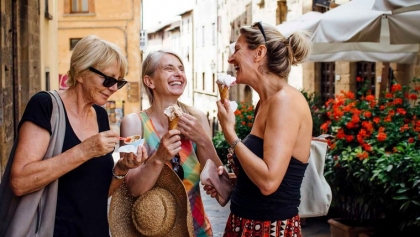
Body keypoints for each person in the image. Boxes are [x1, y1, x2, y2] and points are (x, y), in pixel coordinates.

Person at [7, 35, 146, 236]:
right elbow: (20, 182)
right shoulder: (45, 105)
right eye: (108, 79)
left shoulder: (99, 115)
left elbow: (98, 193)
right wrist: (85, 150)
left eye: (119, 82)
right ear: (81, 72)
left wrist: (123, 167)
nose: (114, 88)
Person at [205, 22, 313, 236]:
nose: (230, 59)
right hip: (247, 223)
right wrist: (232, 181)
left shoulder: (285, 102)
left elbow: (269, 182)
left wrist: (231, 135)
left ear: (259, 52)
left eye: (237, 49)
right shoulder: (264, 102)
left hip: (268, 228)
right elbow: (267, 171)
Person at [120, 50, 224, 237]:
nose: (179, 74)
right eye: (169, 68)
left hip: (198, 230)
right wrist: (159, 158)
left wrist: (202, 140)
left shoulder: (197, 119)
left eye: (181, 69)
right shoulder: (133, 124)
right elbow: (133, 189)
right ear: (149, 81)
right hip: (153, 232)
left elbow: (219, 185)